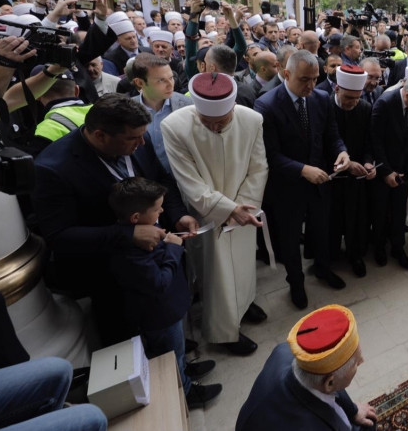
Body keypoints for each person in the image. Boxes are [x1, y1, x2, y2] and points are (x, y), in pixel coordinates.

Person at [34, 94, 198, 346]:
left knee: (170, 334)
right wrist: (128, 235)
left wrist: (178, 214)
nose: (142, 143)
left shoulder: (137, 140)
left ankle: (181, 369)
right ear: (100, 135)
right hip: (116, 282)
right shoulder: (53, 168)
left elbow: (161, 180)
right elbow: (60, 237)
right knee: (137, 349)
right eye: (133, 138)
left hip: (158, 259)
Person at [162, 72, 269, 355]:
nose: (216, 128)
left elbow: (259, 167)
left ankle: (243, 306)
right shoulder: (174, 127)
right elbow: (189, 183)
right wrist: (229, 209)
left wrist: (243, 207)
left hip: (244, 209)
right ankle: (223, 333)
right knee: (217, 276)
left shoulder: (251, 119)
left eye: (222, 122)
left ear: (233, 108)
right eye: (208, 122)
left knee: (244, 267)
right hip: (208, 213)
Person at [108, 177, 221, 409]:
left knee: (178, 348)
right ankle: (186, 391)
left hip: (171, 307)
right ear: (135, 218)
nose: (162, 211)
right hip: (159, 315)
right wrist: (172, 249)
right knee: (172, 355)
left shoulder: (145, 227)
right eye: (157, 208)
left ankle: (186, 369)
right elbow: (158, 282)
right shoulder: (130, 250)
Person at [255, 50, 351, 309]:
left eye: (314, 79)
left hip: (320, 181)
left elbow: (332, 135)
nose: (310, 85)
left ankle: (322, 268)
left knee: (321, 228)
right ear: (286, 74)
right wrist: (302, 169)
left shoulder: (321, 99)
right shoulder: (267, 105)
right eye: (304, 80)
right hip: (287, 186)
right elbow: (270, 155)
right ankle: (295, 283)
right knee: (289, 238)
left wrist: (342, 151)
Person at [236, 305, 376, 431]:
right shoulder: (309, 425)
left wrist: (353, 410)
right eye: (355, 363)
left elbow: (334, 381)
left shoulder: (289, 352)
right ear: (329, 383)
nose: (362, 361)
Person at [369, 72, 408, 269]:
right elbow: (375, 142)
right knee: (380, 212)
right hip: (383, 170)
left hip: (404, 168)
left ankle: (398, 247)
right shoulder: (385, 104)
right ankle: (379, 247)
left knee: (399, 212)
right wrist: (386, 172)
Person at [328, 66, 376, 277]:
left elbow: (369, 142)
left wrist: (367, 163)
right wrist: (347, 163)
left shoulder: (365, 108)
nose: (353, 103)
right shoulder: (325, 106)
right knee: (332, 220)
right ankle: (329, 256)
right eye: (349, 97)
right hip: (330, 176)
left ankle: (355, 255)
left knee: (356, 219)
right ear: (337, 88)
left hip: (356, 179)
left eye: (357, 98)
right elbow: (321, 143)